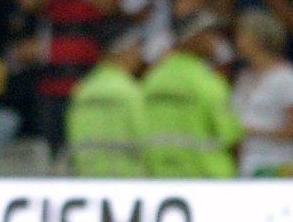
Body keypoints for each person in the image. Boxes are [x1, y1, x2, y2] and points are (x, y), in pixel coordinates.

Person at [141, 12, 242, 177]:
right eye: (210, 33)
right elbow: (231, 137)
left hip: (161, 176)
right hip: (207, 178)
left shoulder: (151, 79)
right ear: (194, 37)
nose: (216, 41)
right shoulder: (207, 81)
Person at [230, 10, 293, 175]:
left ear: (259, 38)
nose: (237, 42)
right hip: (244, 167)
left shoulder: (288, 77)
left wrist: (252, 132)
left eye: (242, 36)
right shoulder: (244, 77)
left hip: (276, 167)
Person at [65, 32, 147, 176]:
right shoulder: (130, 90)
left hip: (87, 177)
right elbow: (144, 137)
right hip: (127, 181)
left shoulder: (83, 89)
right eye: (137, 48)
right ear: (126, 51)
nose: (140, 56)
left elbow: (72, 134)